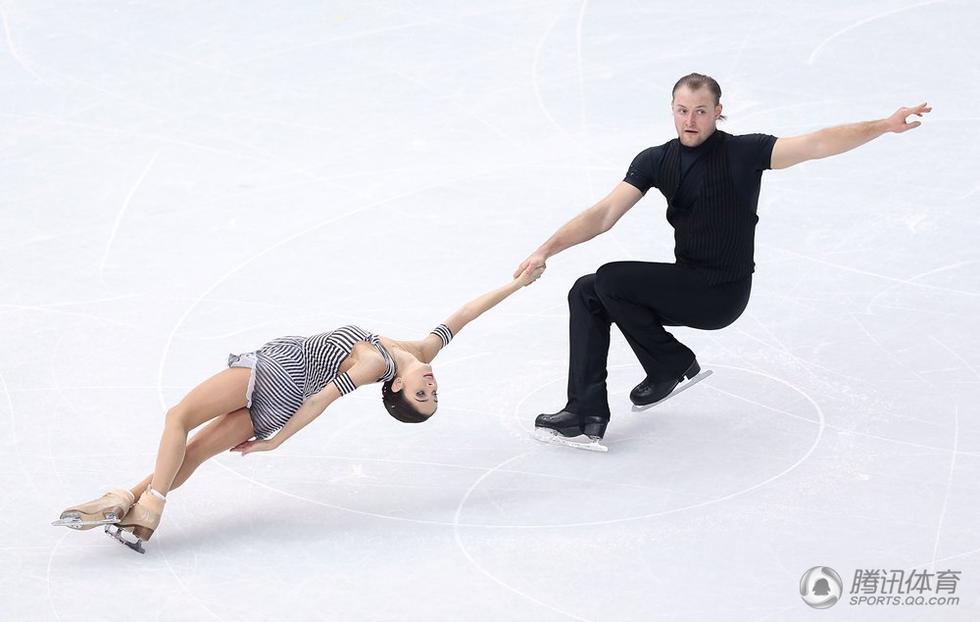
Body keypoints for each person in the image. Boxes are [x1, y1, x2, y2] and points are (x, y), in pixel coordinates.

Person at [515, 72, 931, 451]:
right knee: (587, 291)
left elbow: (817, 143)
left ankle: (670, 364)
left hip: (722, 293)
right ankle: (585, 412)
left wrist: (883, 125)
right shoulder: (656, 160)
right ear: (672, 110)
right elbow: (604, 214)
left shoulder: (745, 152)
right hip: (687, 281)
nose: (690, 120)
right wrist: (545, 250)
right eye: (682, 110)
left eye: (700, 111)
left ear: (718, 111)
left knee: (610, 278)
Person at [52, 266, 545, 552]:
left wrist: (278, 442)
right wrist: (517, 283)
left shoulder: (375, 363)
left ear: (396, 387)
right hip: (278, 405)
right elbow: (466, 315)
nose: (431, 388)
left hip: (276, 374)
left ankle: (151, 503)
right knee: (195, 452)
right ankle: (131, 504)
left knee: (177, 418)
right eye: (433, 395)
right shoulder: (421, 350)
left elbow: (321, 399)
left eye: (422, 396)